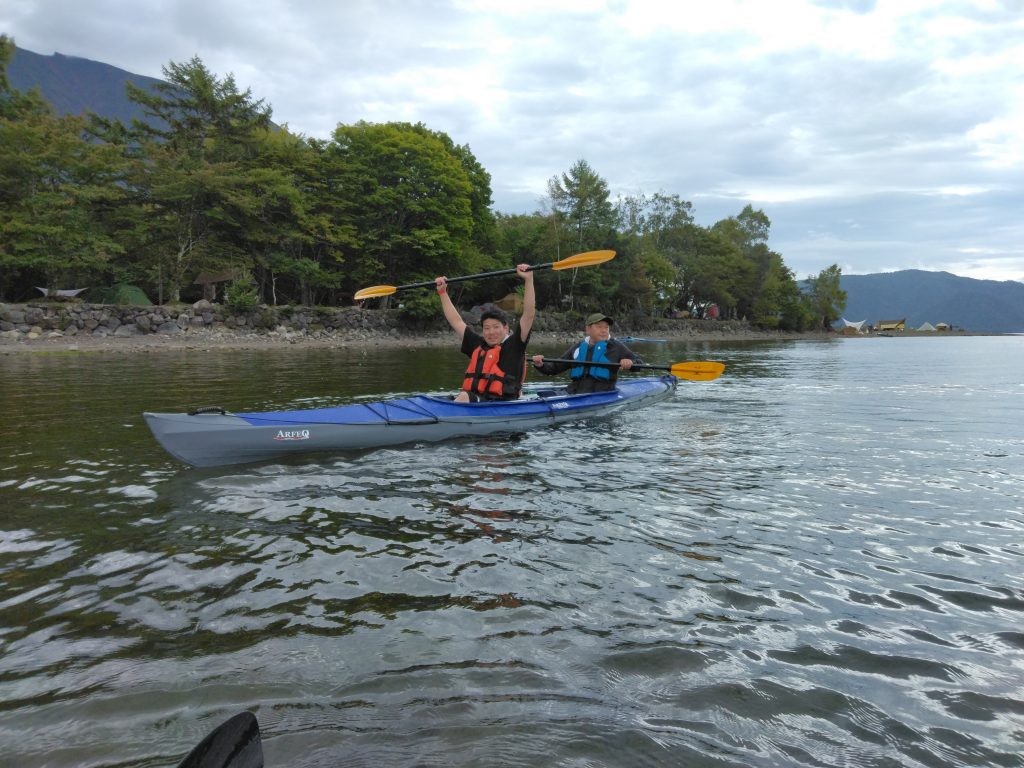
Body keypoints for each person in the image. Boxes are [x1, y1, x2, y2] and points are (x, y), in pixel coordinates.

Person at [435, 264, 535, 402]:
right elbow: (456, 321)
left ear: (505, 328)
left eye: (495, 327)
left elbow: (528, 315)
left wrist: (529, 280)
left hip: (503, 403)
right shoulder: (478, 345)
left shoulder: (515, 345)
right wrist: (442, 293)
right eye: (487, 328)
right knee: (457, 397)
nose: (491, 332)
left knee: (464, 396)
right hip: (480, 400)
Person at [531, 312, 642, 394]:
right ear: (588, 329)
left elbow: (639, 364)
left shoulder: (616, 347)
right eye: (599, 326)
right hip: (574, 392)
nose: (604, 330)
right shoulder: (577, 348)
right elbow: (555, 368)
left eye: (606, 327)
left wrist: (630, 362)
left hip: (602, 394)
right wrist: (540, 365)